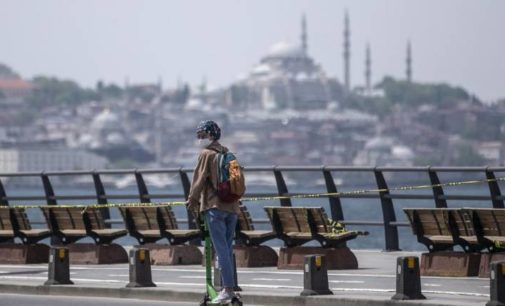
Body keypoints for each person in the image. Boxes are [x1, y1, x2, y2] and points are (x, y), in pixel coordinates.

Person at [186, 120, 240, 304]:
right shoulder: (228, 153)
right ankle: (229, 288)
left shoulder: (206, 154)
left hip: (214, 208)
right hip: (232, 208)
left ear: (210, 135)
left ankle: (228, 290)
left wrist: (192, 199)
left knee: (221, 250)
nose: (199, 139)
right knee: (227, 247)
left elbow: (198, 180)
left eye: (202, 136)